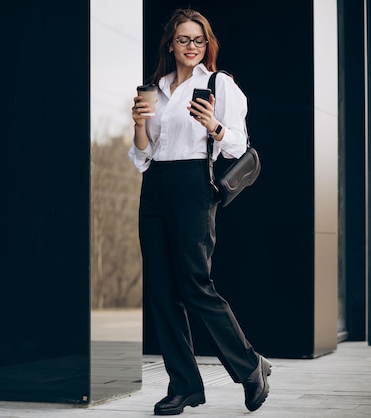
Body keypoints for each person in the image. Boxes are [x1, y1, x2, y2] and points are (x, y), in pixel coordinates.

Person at [129, 8, 270, 416]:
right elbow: (143, 154)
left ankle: (249, 366)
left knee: (194, 283)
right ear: (170, 44)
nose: (191, 47)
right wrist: (139, 123)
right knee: (161, 290)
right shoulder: (156, 87)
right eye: (183, 39)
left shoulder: (218, 83)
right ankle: (184, 385)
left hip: (193, 183)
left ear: (206, 45)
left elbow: (238, 146)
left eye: (199, 40)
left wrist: (214, 125)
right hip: (154, 186)